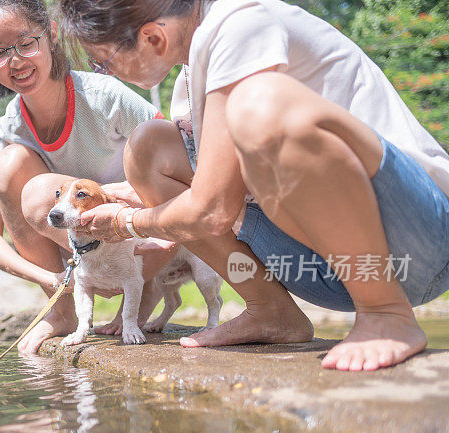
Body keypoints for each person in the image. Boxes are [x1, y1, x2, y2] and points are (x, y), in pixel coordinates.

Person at [56, 0, 449, 371]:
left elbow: (212, 208)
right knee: (148, 149)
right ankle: (271, 309)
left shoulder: (242, 22)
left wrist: (128, 222)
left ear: (152, 39)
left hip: (417, 241)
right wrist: (129, 200)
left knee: (259, 105)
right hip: (329, 271)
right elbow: (214, 193)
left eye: (102, 63)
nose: (105, 74)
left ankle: (385, 312)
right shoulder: (196, 74)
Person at [0, 0, 169, 355]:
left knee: (38, 195)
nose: (15, 60)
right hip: (82, 268)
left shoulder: (104, 97)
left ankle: (149, 289)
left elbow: (183, 161)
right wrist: (56, 281)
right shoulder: (7, 131)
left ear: (52, 33)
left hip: (145, 248)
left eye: (26, 43)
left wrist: (118, 207)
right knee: (9, 164)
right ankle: (62, 312)